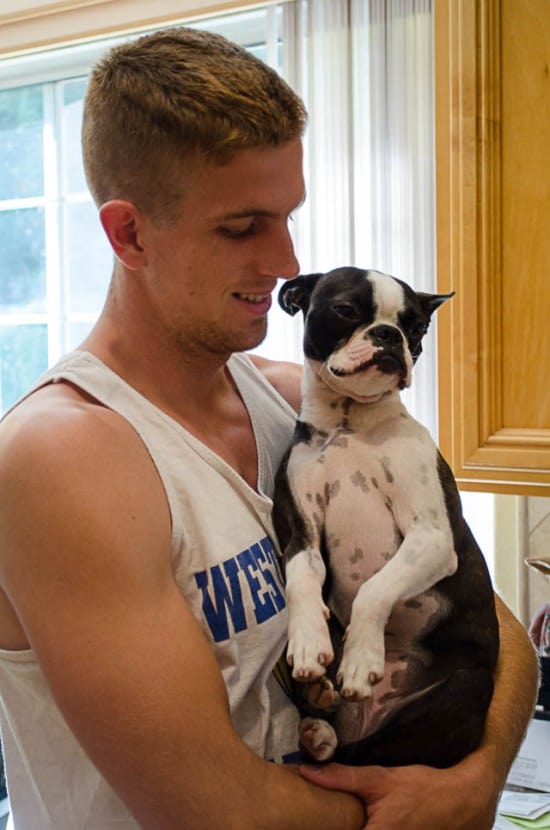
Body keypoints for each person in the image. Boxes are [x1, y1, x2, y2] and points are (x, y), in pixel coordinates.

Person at [0, 27, 538, 830]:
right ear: (129, 234)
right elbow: (220, 811)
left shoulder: (306, 402)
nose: (287, 259)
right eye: (242, 227)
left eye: (289, 216)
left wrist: (478, 778)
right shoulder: (64, 459)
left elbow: (491, 630)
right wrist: (428, 809)